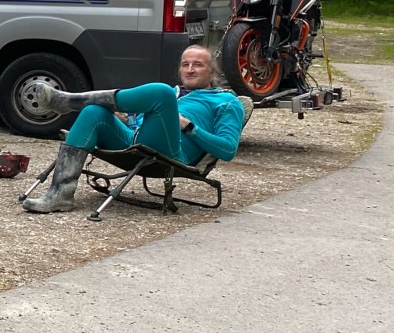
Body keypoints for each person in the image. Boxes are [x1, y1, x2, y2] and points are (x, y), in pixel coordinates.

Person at [22, 45, 246, 214]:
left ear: (212, 71)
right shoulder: (175, 92)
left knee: (160, 92)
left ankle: (69, 101)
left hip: (173, 153)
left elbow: (227, 150)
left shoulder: (226, 102)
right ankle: (60, 194)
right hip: (137, 140)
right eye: (185, 64)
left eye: (198, 64)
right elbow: (140, 125)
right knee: (94, 112)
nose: (190, 69)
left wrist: (189, 127)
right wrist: (128, 120)